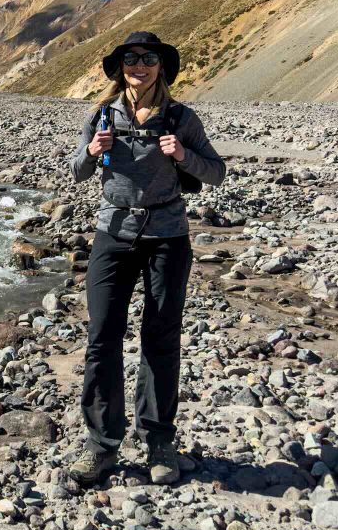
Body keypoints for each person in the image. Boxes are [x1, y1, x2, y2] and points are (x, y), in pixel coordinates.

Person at [66, 31, 226, 486]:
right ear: (120, 67)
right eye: (131, 58)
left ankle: (158, 439)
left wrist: (184, 155)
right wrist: (92, 152)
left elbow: (216, 172)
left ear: (161, 66)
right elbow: (77, 171)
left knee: (160, 339)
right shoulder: (101, 114)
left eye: (148, 57)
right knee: (102, 337)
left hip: (167, 237)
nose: (139, 64)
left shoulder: (180, 117)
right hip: (112, 234)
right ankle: (102, 444)